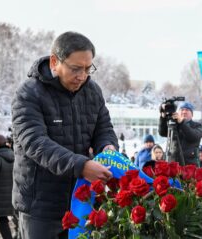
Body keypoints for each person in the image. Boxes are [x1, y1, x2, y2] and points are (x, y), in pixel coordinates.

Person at [11, 31, 118, 239]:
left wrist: (108, 148)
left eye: (88, 69)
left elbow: (104, 128)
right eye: (76, 69)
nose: (82, 76)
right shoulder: (29, 93)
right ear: (54, 61)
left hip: (81, 202)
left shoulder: (93, 91)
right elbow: (35, 144)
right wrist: (82, 166)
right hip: (41, 206)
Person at [159, 101, 202, 166]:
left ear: (192, 114)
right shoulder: (174, 125)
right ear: (178, 112)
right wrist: (163, 117)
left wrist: (182, 122)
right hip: (174, 162)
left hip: (189, 164)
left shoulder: (197, 126)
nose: (184, 112)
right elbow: (162, 132)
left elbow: (193, 136)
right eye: (182, 110)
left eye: (187, 110)